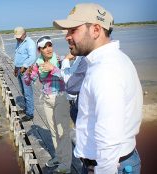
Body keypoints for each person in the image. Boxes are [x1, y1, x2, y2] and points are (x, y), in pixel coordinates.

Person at [53, 3, 143, 174]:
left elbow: (109, 139)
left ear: (96, 30)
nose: (67, 36)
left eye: (73, 30)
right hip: (116, 161)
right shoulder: (115, 59)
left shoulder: (105, 71)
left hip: (110, 165)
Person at [24, 36, 72, 173]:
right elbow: (29, 82)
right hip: (47, 99)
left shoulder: (59, 60)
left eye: (50, 45)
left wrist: (53, 68)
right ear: (39, 50)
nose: (49, 49)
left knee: (63, 132)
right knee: (53, 132)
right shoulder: (37, 64)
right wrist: (28, 74)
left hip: (61, 98)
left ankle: (66, 166)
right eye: (45, 47)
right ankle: (59, 157)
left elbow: (68, 76)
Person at [13, 27, 36, 122]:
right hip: (19, 69)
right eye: (17, 37)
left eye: (19, 36)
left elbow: (32, 57)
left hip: (25, 70)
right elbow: (17, 56)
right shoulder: (19, 42)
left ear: (24, 34)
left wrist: (24, 66)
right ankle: (27, 109)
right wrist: (15, 68)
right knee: (23, 91)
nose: (17, 38)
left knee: (28, 92)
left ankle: (30, 114)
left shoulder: (29, 43)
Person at [61, 54, 87, 124]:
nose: (70, 44)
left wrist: (66, 60)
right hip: (75, 104)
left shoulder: (85, 58)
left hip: (79, 107)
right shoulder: (80, 57)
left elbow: (70, 83)